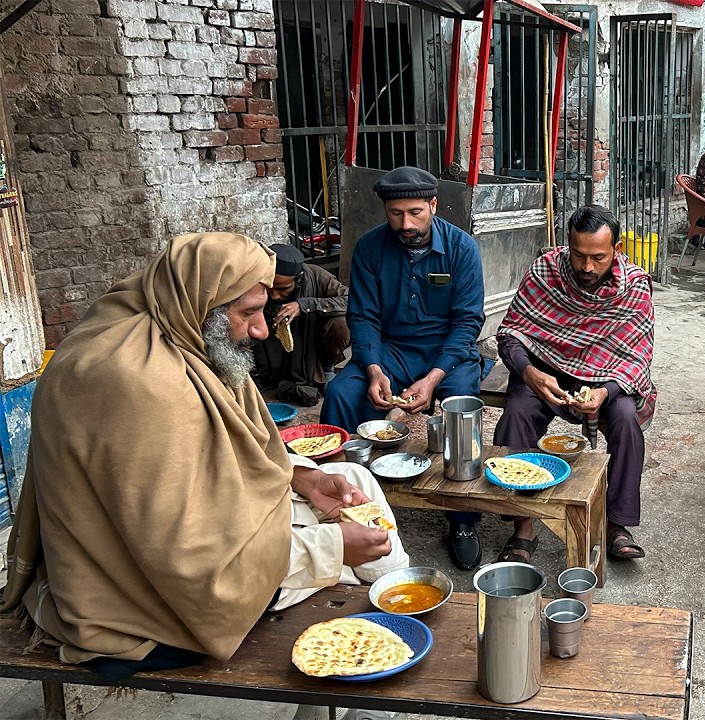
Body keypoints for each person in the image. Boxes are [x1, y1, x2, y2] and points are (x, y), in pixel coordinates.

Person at [1, 235, 408, 705]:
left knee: (352, 480)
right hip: (144, 595)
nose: (261, 330)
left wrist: (302, 475)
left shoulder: (178, 325)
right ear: (204, 301)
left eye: (263, 309)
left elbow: (239, 446)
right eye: (248, 313)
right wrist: (331, 548)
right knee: (342, 545)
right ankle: (379, 661)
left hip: (188, 535)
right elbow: (185, 556)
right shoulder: (131, 379)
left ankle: (396, 604)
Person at [319, 166, 486, 571]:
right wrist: (374, 368)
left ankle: (463, 520)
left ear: (433, 205)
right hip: (389, 349)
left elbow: (468, 322)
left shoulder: (462, 249)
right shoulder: (371, 248)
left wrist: (433, 377)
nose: (406, 224)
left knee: (460, 404)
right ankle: (339, 508)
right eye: (395, 214)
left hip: (446, 352)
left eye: (415, 212)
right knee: (343, 393)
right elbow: (363, 317)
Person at [492, 205, 657, 562]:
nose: (586, 267)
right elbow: (510, 335)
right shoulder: (545, 271)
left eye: (598, 257)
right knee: (517, 410)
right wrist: (528, 372)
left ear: (618, 248)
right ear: (567, 244)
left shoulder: (635, 285)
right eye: (579, 255)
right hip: (546, 368)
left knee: (627, 419)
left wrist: (606, 391)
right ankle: (523, 526)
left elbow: (638, 356)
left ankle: (617, 524)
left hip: (606, 377)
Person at [252, 243, 349, 406]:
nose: (275, 296)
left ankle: (325, 369)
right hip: (270, 345)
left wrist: (305, 305)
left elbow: (350, 300)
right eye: (270, 288)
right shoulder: (255, 279)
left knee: (341, 324)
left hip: (310, 340)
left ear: (298, 279)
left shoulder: (316, 276)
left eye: (283, 289)